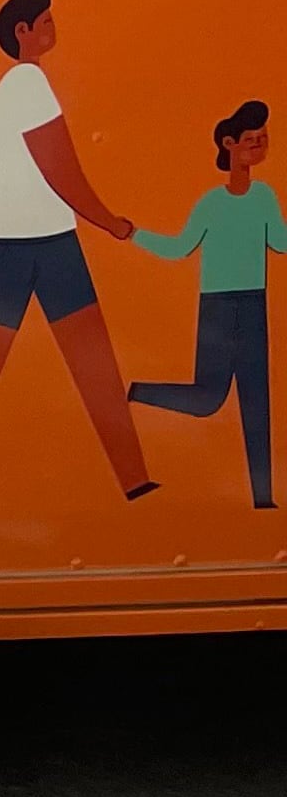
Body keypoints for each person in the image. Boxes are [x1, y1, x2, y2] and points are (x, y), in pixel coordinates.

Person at [0, 0, 159, 527]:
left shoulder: (20, 86)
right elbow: (60, 169)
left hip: (32, 242)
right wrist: (110, 222)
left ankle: (135, 481)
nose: (52, 27)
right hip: (34, 247)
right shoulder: (27, 84)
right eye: (45, 20)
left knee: (83, 365)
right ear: (22, 31)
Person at [131, 99, 283, 508]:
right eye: (252, 140)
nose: (260, 146)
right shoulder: (212, 204)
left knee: (257, 402)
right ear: (230, 145)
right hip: (217, 306)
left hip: (253, 304)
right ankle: (134, 391)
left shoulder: (264, 196)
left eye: (264, 140)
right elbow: (180, 247)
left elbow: (280, 243)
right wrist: (133, 234)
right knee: (207, 398)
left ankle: (264, 498)